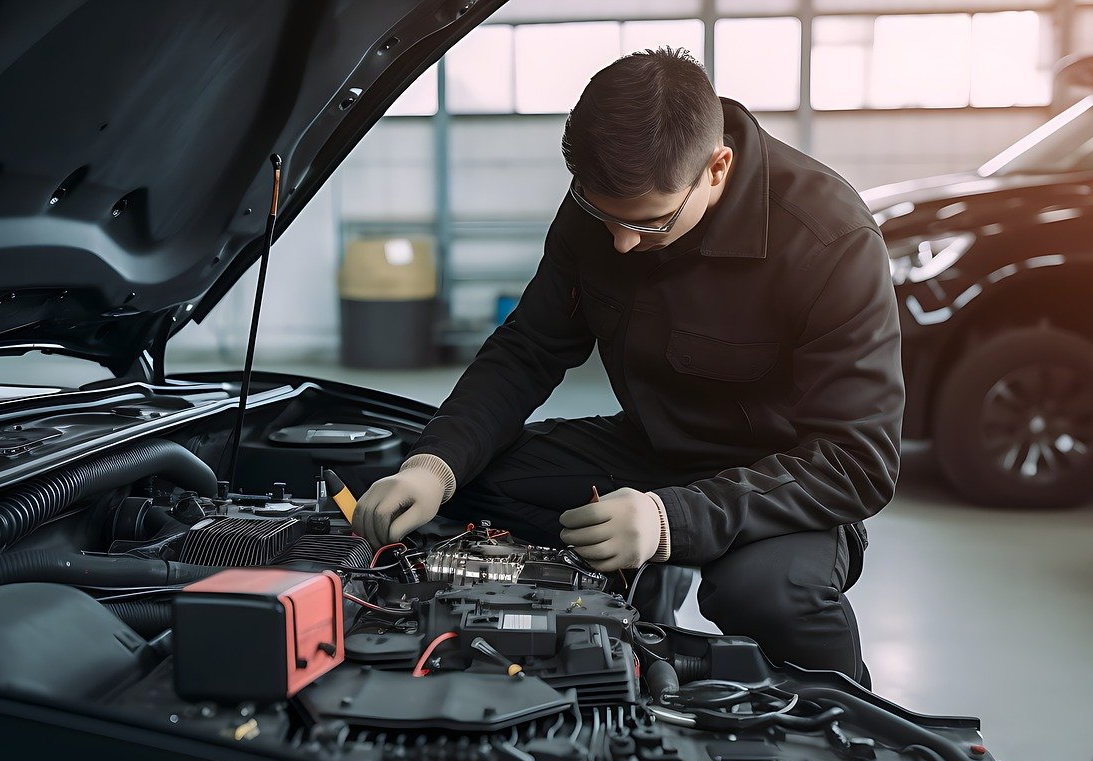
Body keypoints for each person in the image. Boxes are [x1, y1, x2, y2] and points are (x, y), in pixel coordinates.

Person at [353, 48, 903, 682]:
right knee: (470, 487)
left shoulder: (830, 238)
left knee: (764, 593)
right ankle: (624, 626)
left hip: (781, 479)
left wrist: (672, 520)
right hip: (651, 449)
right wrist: (436, 464)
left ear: (717, 169)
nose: (620, 243)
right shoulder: (604, 205)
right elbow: (529, 348)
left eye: (649, 225)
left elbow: (858, 460)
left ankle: (853, 734)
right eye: (605, 217)